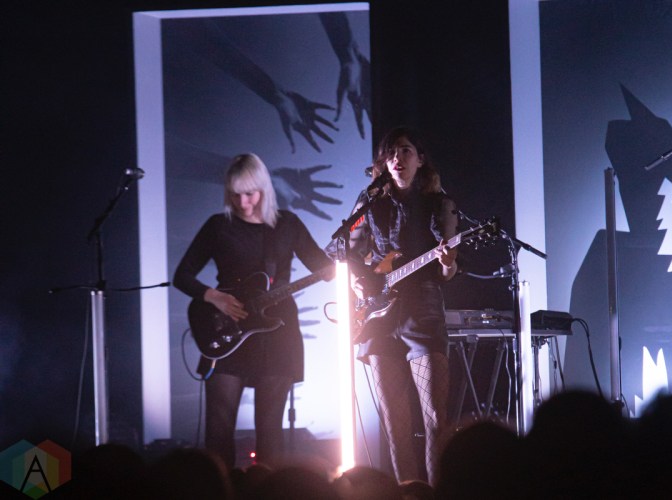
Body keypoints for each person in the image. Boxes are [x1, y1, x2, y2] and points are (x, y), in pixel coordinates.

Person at [173, 153, 333, 470]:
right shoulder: (218, 226)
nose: (242, 203)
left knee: (270, 431)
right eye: (235, 195)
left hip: (278, 333)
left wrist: (352, 251)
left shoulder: (287, 224)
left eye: (249, 194)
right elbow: (182, 276)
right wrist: (214, 297)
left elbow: (323, 266)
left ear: (264, 189)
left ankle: (266, 489)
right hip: (227, 327)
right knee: (218, 428)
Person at [346, 126, 459, 485]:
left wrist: (447, 261)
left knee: (435, 419)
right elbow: (348, 252)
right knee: (395, 425)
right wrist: (358, 281)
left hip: (422, 310)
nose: (398, 158)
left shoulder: (440, 204)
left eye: (406, 150)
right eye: (392, 152)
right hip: (378, 318)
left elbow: (448, 271)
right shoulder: (370, 201)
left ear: (420, 159)